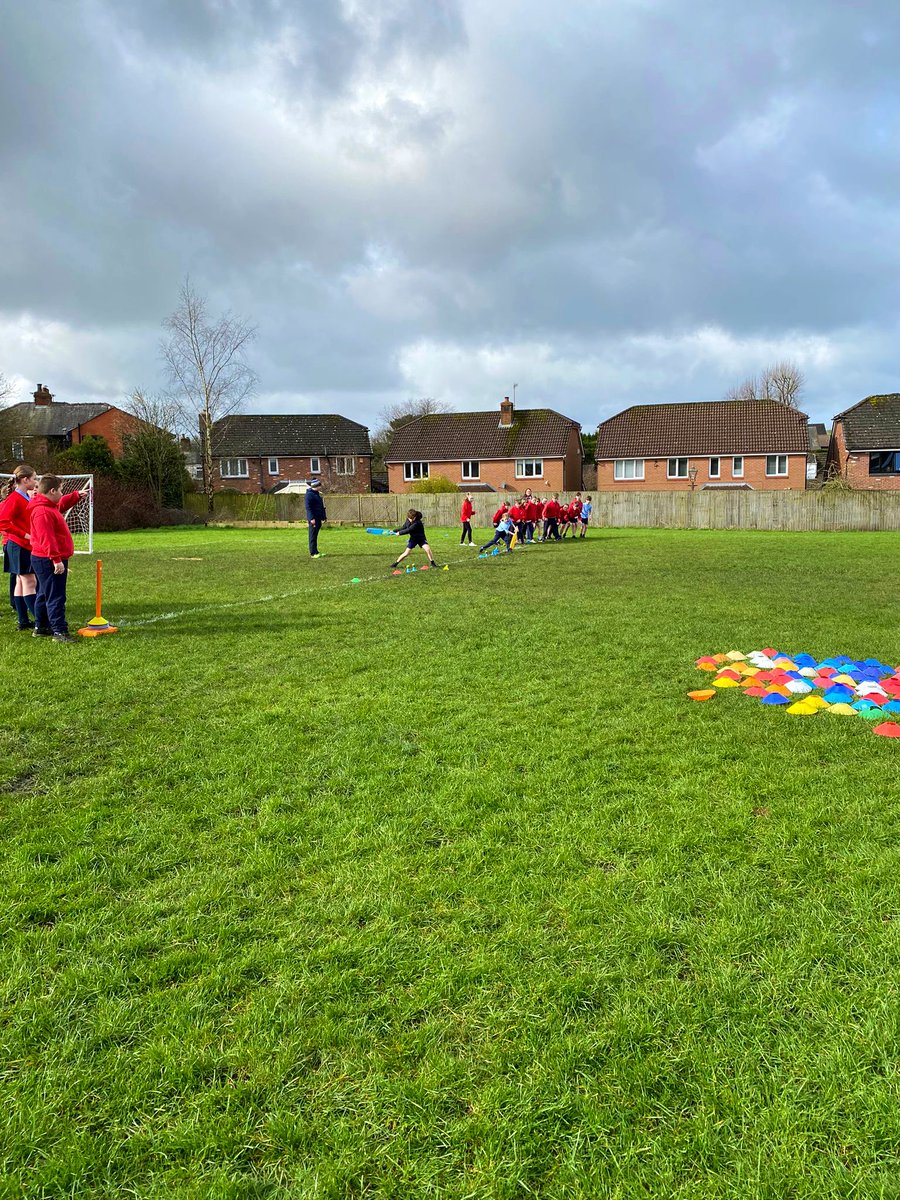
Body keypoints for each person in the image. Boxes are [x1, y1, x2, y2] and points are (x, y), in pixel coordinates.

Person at [28, 474, 87, 643]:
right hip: (48, 559)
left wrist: (75, 496)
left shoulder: (47, 505)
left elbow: (60, 504)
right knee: (55, 595)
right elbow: (47, 538)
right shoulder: (42, 512)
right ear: (52, 490)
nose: (62, 493)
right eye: (61, 490)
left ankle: (42, 627)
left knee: (44, 593)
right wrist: (56, 560)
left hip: (43, 558)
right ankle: (59, 632)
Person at [0, 465, 38, 630]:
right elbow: (3, 521)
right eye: (34, 478)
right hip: (19, 546)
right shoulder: (15, 498)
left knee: (21, 583)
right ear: (25, 480)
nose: (36, 482)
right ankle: (41, 621)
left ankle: (23, 621)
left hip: (21, 546)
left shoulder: (24, 497)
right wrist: (25, 535)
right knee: (29, 581)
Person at [305, 479, 326, 558]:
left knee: (315, 536)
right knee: (312, 536)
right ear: (316, 486)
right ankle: (313, 553)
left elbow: (321, 507)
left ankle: (316, 551)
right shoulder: (309, 495)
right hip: (313, 519)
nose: (320, 487)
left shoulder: (317, 494)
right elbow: (308, 508)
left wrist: (323, 517)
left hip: (318, 518)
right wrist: (311, 518)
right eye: (319, 485)